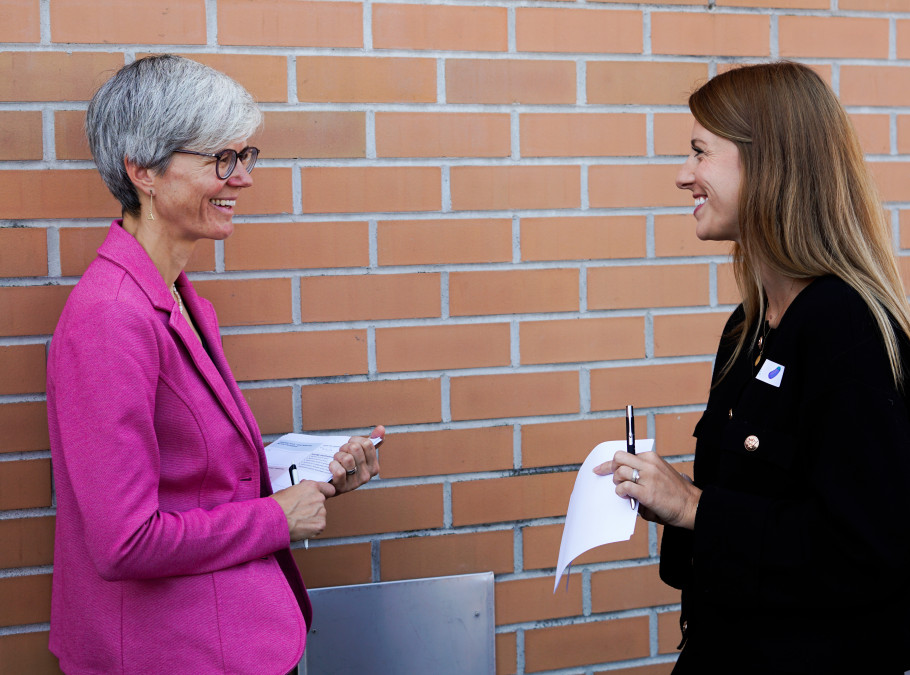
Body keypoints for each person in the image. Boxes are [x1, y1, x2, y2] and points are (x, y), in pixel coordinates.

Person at [46, 54, 382, 675]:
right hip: (169, 654)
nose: (243, 179)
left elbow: (189, 475)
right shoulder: (109, 318)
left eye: (245, 157)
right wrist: (276, 518)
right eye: (221, 160)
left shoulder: (177, 297)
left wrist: (305, 473)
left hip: (221, 641)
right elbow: (124, 540)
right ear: (142, 169)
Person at [596, 62, 910, 673]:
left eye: (700, 153)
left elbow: (872, 551)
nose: (683, 175)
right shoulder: (749, 330)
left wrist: (692, 507)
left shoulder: (847, 329)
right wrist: (664, 502)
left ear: (768, 166)